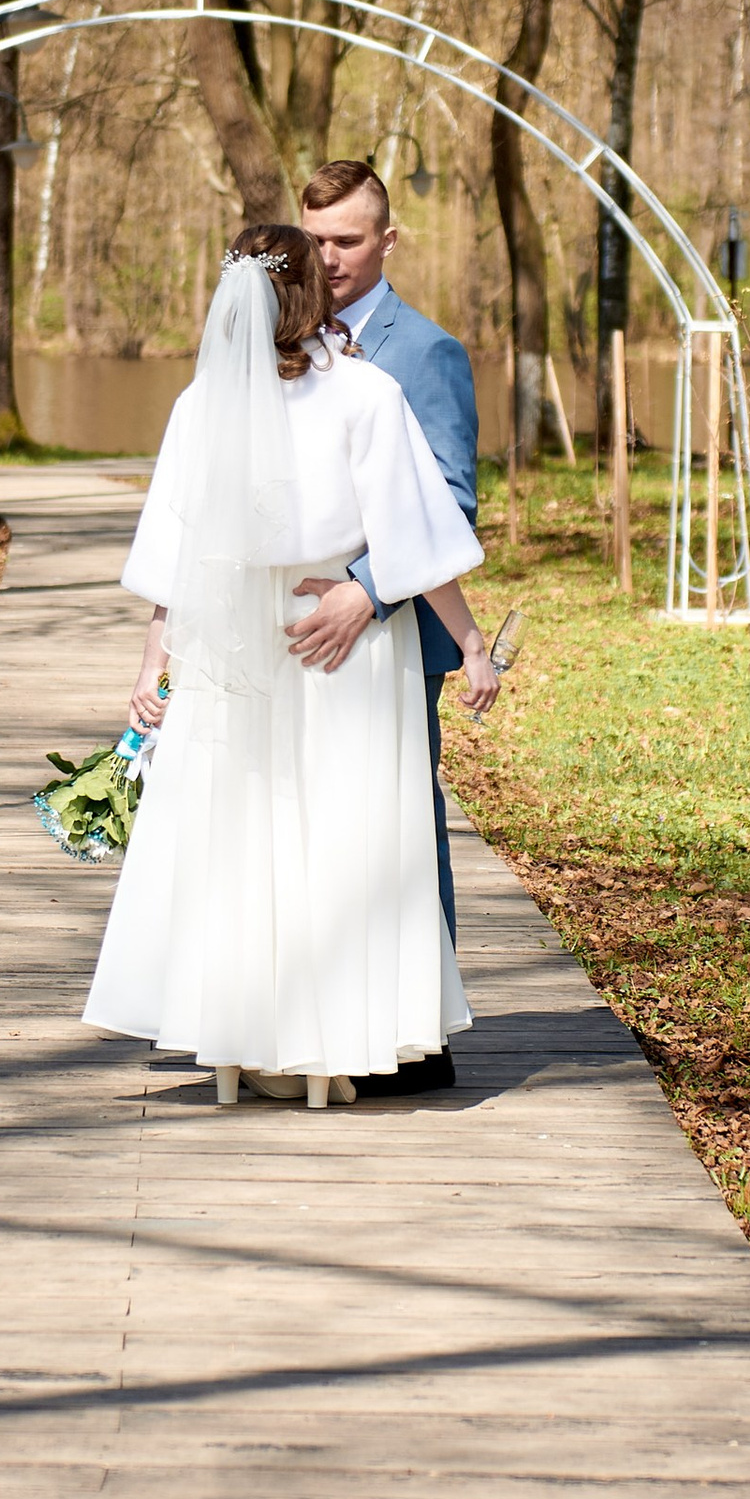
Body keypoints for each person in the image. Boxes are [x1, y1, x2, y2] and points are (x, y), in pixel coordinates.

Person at [83, 225, 500, 1108]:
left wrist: (154, 673)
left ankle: (244, 1039)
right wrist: (469, 645)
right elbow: (415, 540)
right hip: (342, 649)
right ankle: (333, 1039)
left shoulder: (201, 406)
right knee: (347, 843)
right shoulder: (365, 394)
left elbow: (173, 565)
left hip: (234, 647)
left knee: (245, 841)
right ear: (314, 295)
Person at [288, 156, 478, 1093]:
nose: (328, 260)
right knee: (308, 823)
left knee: (403, 819)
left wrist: (366, 590)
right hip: (291, 637)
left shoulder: (426, 351)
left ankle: (419, 1037)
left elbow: (449, 500)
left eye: (348, 241)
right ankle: (320, 1014)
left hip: (387, 630)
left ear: (388, 240)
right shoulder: (282, 343)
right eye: (314, 240)